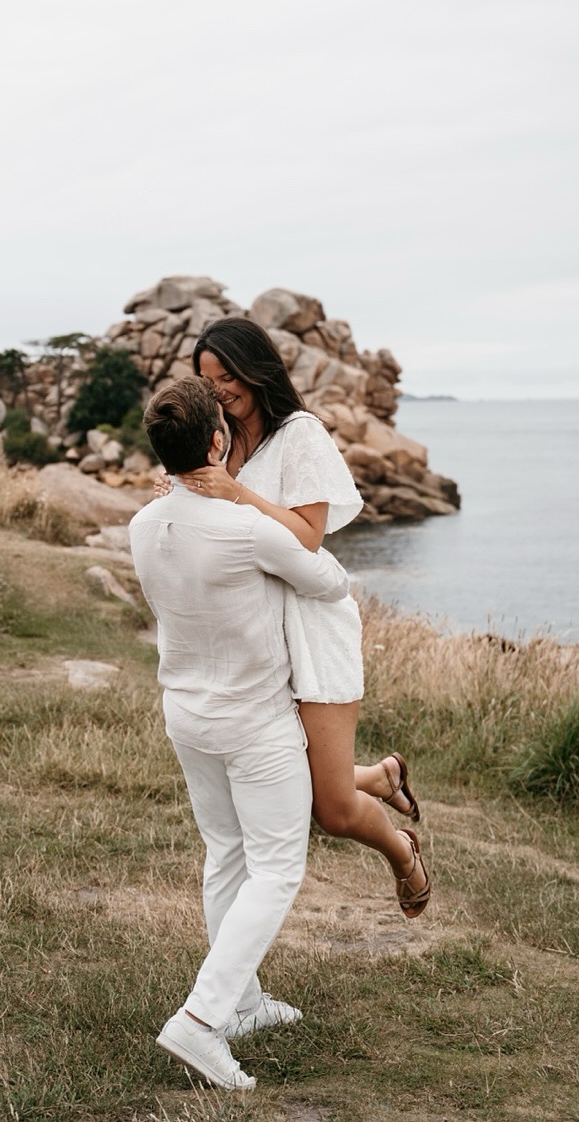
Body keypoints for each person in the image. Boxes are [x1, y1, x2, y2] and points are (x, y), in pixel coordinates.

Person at [158, 315, 430, 922]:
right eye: (209, 379)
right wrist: (179, 491)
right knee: (289, 789)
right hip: (259, 638)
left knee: (330, 812)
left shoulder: (300, 433)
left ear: (258, 370)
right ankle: (380, 777)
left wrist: (230, 491)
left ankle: (401, 849)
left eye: (228, 376)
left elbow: (308, 537)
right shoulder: (218, 438)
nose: (220, 390)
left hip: (313, 624)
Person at [130, 375, 354, 1091]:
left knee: (226, 853)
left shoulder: (143, 524)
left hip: (186, 713)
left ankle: (245, 1004)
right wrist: (254, 501)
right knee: (278, 868)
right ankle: (200, 1021)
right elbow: (331, 581)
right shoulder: (245, 526)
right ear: (218, 440)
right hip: (253, 723)